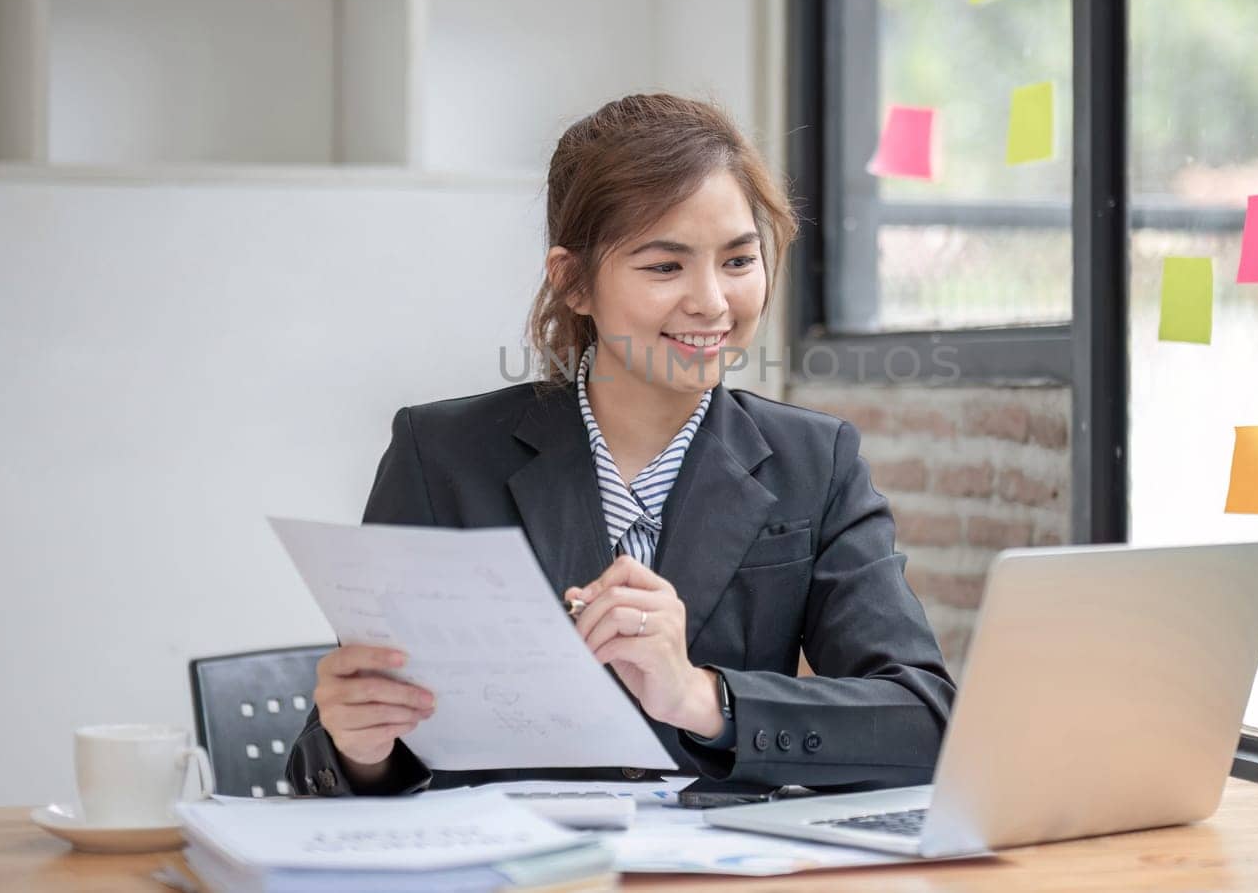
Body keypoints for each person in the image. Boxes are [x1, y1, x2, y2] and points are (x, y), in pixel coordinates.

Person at [286, 93, 954, 796]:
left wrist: (706, 699)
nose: (711, 301)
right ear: (572, 281)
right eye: (665, 266)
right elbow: (329, 752)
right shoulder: (440, 456)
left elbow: (924, 723)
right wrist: (359, 745)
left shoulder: (815, 465)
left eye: (737, 260)